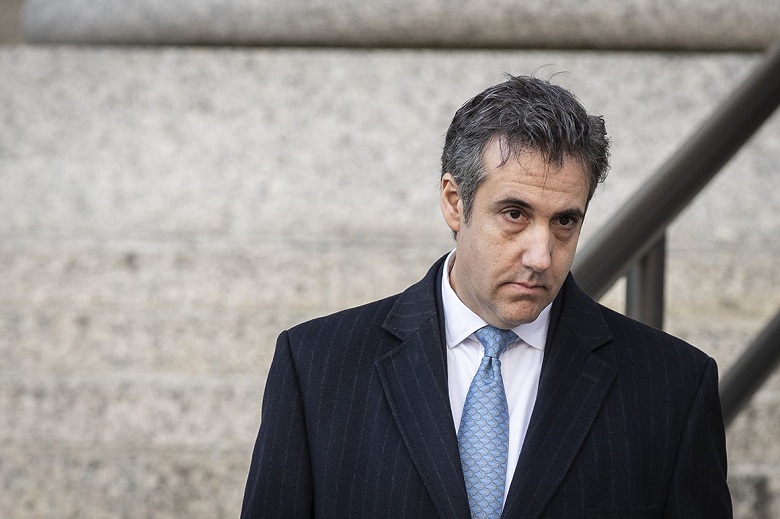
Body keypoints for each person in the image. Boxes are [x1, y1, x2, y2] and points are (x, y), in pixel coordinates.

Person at [240, 75, 732, 518]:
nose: (541, 255)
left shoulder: (672, 387)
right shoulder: (316, 365)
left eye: (565, 221)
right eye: (515, 214)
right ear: (455, 203)